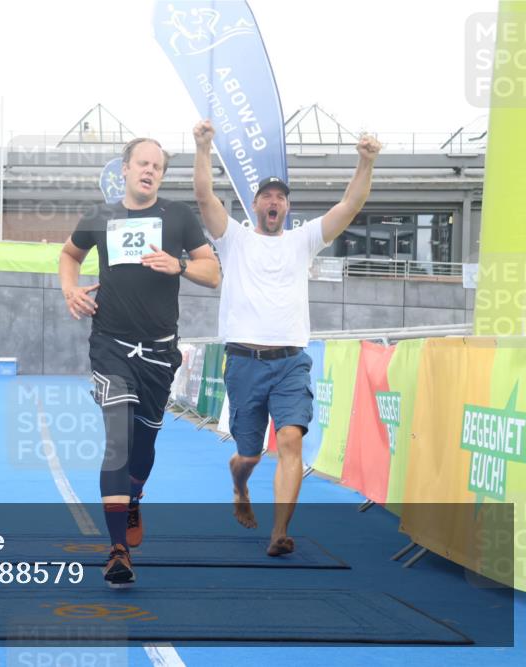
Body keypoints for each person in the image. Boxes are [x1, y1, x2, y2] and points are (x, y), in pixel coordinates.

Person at [192, 119, 381, 556]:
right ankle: (240, 484)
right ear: (255, 205)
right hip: (243, 361)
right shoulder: (233, 240)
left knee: (291, 439)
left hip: (291, 362)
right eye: (267, 197)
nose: (273, 202)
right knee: (249, 456)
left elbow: (350, 206)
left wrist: (366, 161)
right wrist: (203, 147)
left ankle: (279, 532)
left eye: (280, 198)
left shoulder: (303, 241)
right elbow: (204, 197)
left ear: (287, 209)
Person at [58, 136, 221, 587]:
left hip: (160, 353)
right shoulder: (100, 215)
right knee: (117, 436)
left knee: (143, 448)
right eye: (142, 163)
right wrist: (69, 288)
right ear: (125, 169)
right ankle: (117, 550)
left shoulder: (179, 216)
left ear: (161, 176)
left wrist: (181, 266)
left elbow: (213, 273)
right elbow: (70, 254)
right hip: (110, 344)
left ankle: (133, 497)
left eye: (157, 166)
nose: (149, 171)